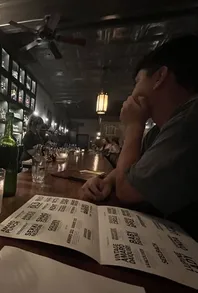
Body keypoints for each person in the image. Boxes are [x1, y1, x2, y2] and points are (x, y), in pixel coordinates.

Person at [80, 35, 198, 239]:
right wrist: (107, 180)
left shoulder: (191, 118)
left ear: (160, 77)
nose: (132, 92)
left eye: (137, 82)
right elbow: (132, 172)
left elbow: (127, 190)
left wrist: (134, 125)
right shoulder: (159, 131)